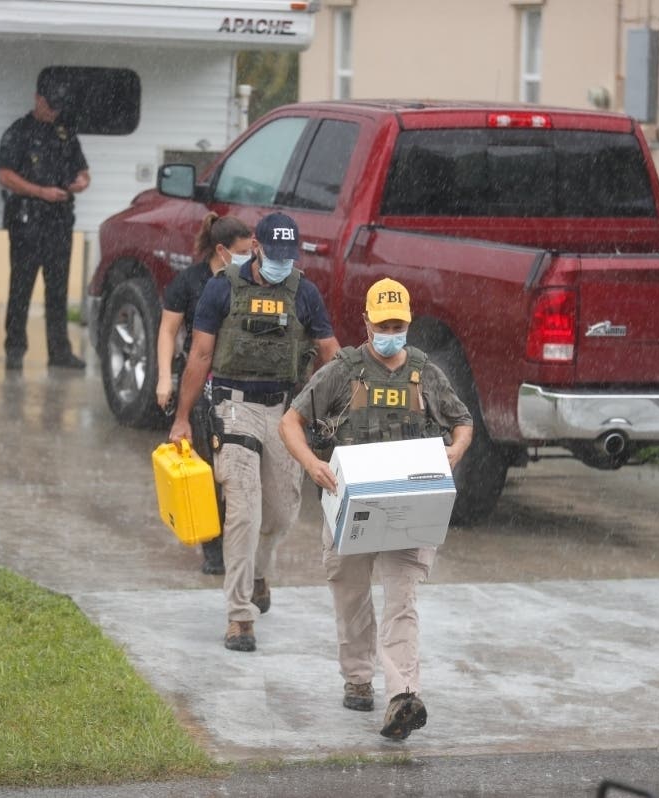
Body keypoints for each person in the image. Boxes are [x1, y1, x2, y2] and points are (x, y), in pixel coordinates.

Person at [277, 277, 473, 740]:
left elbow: (462, 421)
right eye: (382, 322)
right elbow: (291, 422)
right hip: (351, 508)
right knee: (351, 594)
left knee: (401, 600)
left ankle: (403, 695)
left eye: (398, 323)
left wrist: (455, 451)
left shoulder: (425, 373)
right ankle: (358, 677)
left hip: (408, 507)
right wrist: (312, 464)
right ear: (366, 322)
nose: (391, 330)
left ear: (407, 322)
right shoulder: (343, 370)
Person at [169, 211, 340, 653]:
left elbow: (328, 352)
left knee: (281, 512)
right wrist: (182, 417)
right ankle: (239, 616)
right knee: (244, 510)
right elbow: (201, 355)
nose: (283, 262)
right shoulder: (222, 286)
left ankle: (260, 572)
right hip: (233, 406)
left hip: (284, 412)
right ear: (257, 247)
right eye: (275, 253)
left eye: (290, 255)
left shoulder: (305, 293)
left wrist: (337, 407)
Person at [156, 213, 254, 576]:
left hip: (240, 383)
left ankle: (239, 543)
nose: (250, 256)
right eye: (243, 251)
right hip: (201, 384)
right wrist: (165, 380)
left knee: (240, 469)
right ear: (222, 250)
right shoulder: (190, 282)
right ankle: (213, 548)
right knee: (208, 469)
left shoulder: (250, 280)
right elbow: (168, 331)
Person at [0, 68, 91, 371]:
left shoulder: (65, 133)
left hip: (59, 223)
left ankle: (59, 351)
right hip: (27, 223)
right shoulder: (18, 132)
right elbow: (5, 175)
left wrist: (80, 183)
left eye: (58, 106)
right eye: (50, 104)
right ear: (37, 99)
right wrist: (40, 192)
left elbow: (83, 172)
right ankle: (14, 349)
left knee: (58, 290)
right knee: (21, 288)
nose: (54, 110)